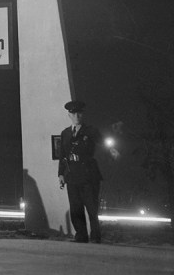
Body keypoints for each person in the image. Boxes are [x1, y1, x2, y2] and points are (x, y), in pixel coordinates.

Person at [58, 100, 103, 243]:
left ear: (82, 115)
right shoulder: (65, 133)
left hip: (88, 175)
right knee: (76, 208)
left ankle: (95, 236)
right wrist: (60, 174)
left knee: (91, 208)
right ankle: (81, 235)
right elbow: (63, 156)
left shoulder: (91, 131)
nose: (77, 116)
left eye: (79, 113)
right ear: (69, 115)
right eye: (74, 113)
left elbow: (103, 143)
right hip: (72, 175)